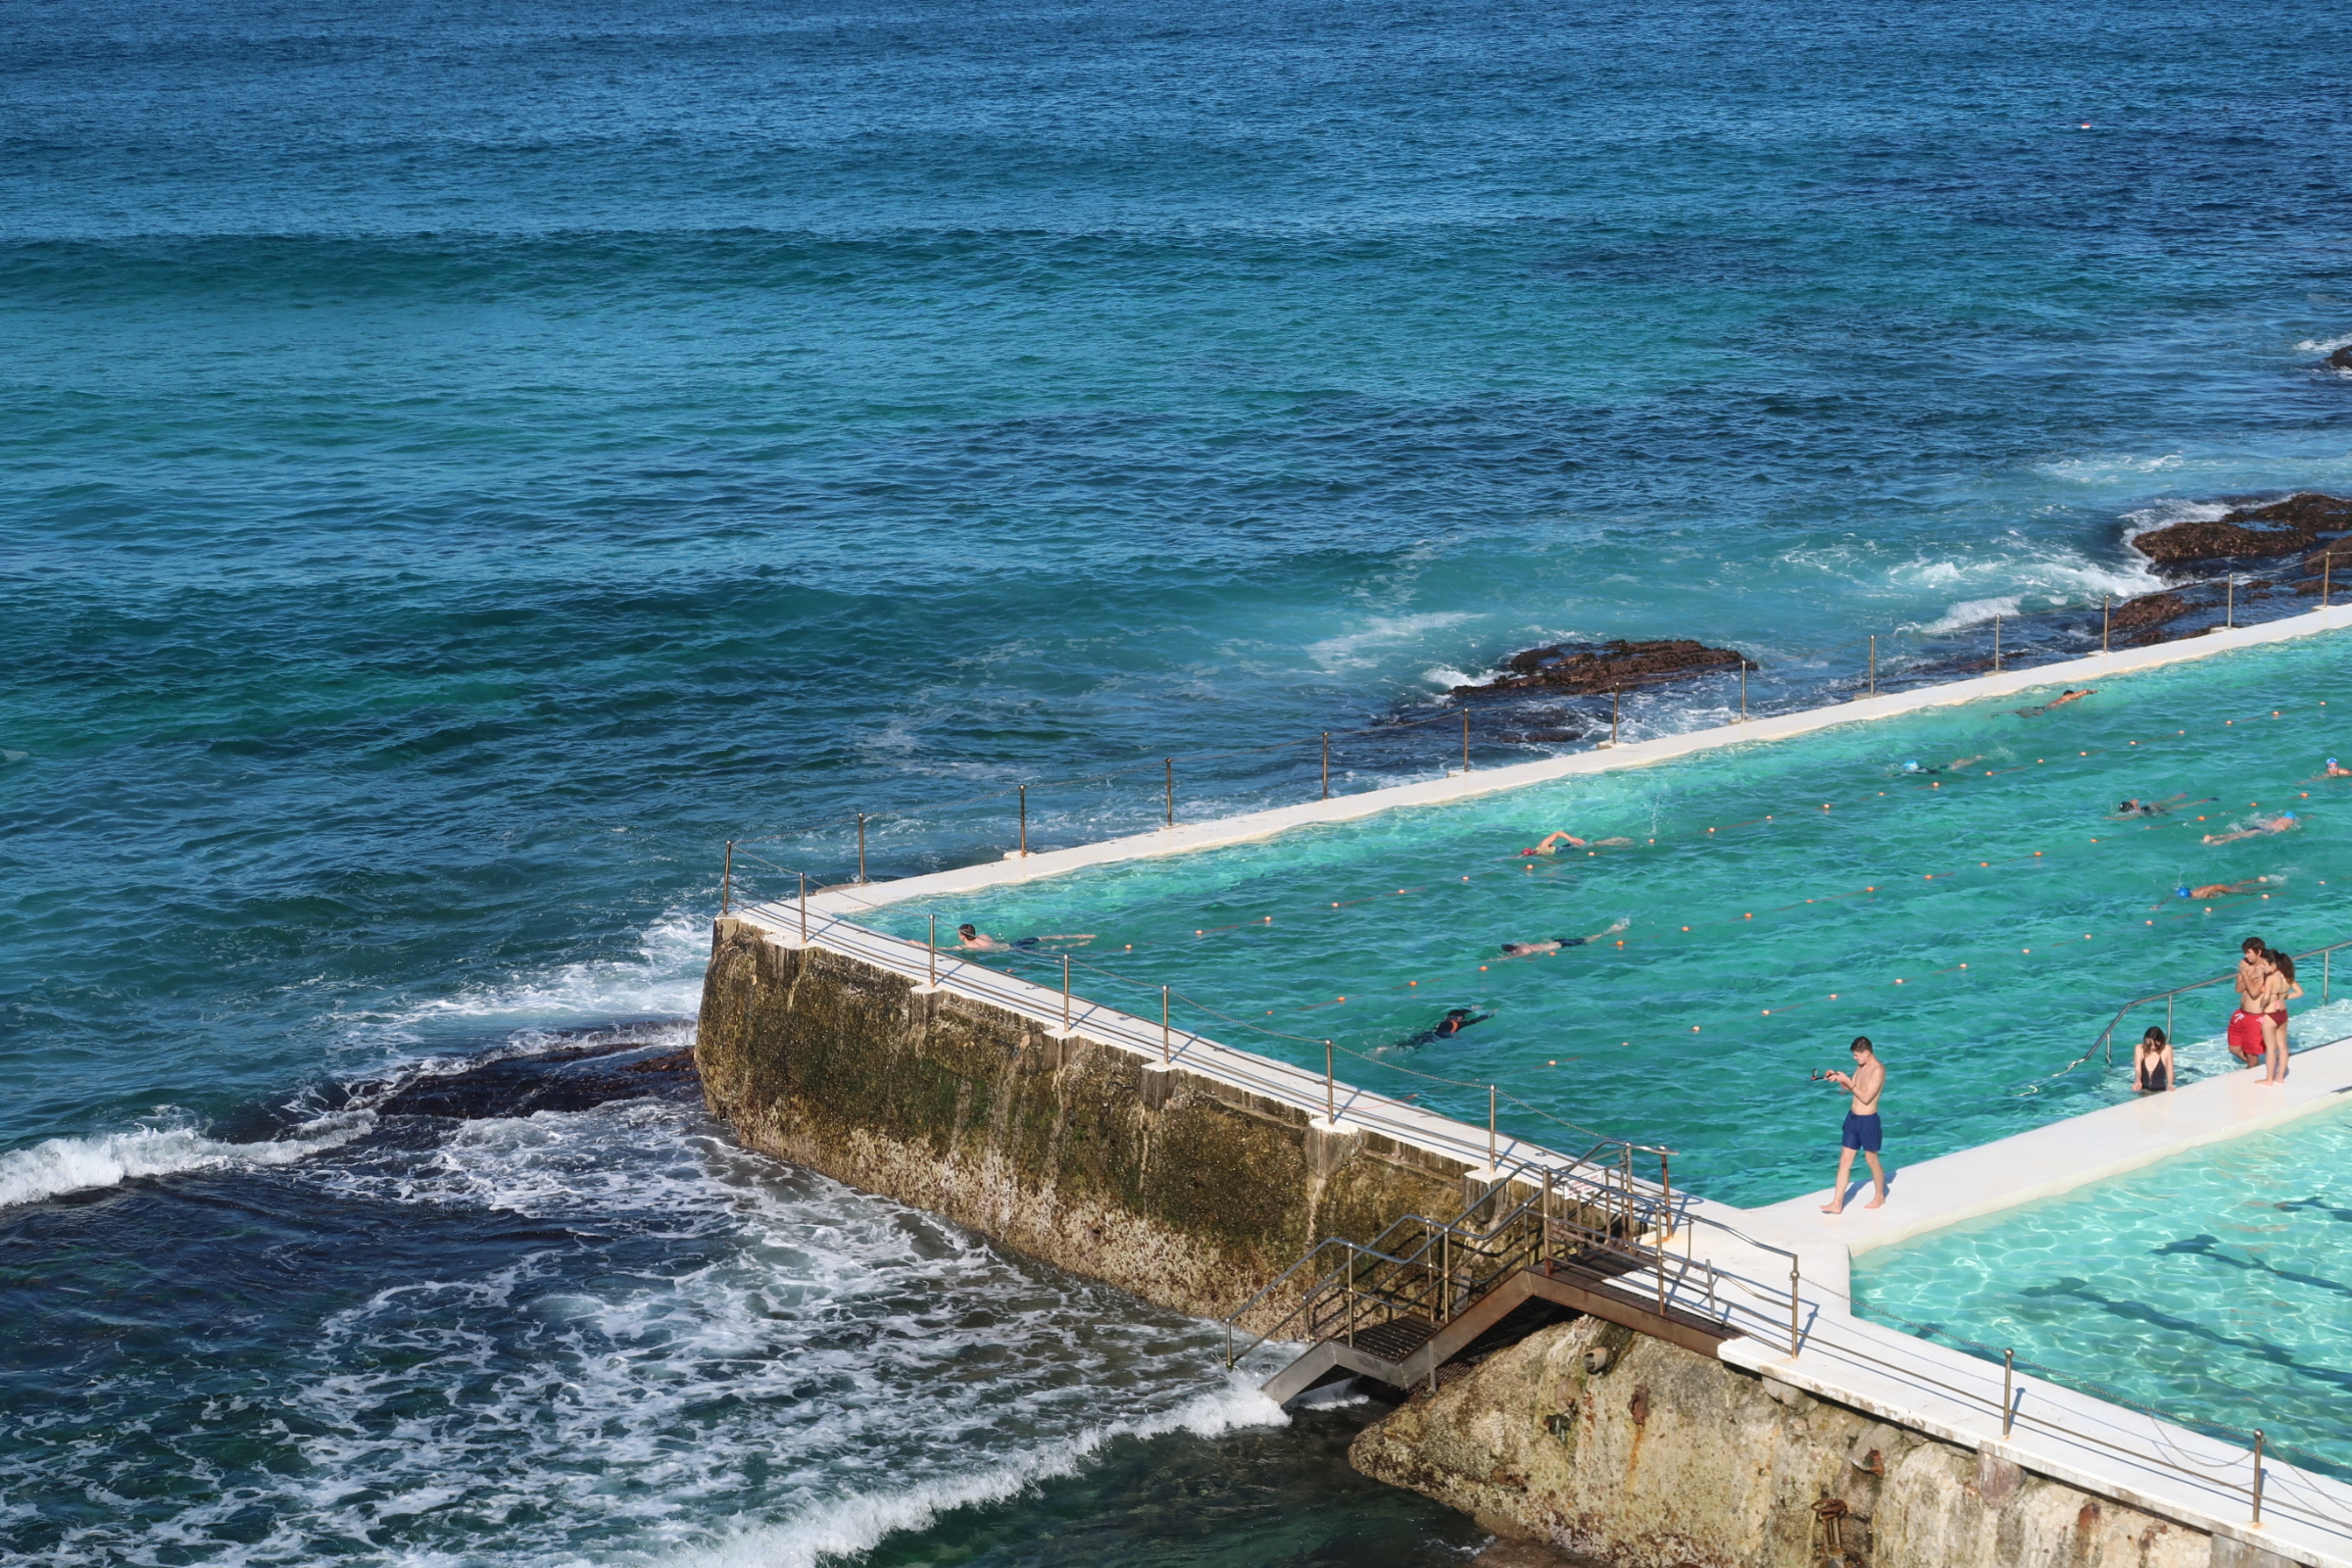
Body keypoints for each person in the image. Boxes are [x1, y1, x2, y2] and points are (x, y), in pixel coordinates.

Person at [1820, 1036, 1887, 1213]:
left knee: (1871, 1160)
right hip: (1853, 1119)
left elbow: (1866, 1097)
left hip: (1868, 1121)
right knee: (1844, 1161)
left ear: (1867, 1053)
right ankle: (1836, 1203)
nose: (1854, 1058)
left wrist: (1848, 1080)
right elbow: (1852, 1089)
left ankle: (1880, 1195)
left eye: (1857, 1055)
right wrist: (1839, 1079)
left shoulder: (1878, 1070)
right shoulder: (1861, 1066)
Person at [2259, 947, 2303, 1085]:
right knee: (2283, 1047)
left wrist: (2261, 1006)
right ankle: (2280, 1077)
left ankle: (2269, 1079)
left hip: (2270, 1015)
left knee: (2271, 1049)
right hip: (2283, 1014)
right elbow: (2299, 992)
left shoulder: (2270, 978)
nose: (2262, 967)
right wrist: (2284, 997)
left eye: (2264, 964)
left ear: (2273, 964)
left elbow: (2266, 997)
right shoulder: (2286, 976)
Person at [2227, 937, 2270, 1066]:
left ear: (2259, 952)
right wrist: (2252, 975)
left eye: (2249, 952)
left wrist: (2247, 974)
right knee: (2234, 1048)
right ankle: (2255, 1065)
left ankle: (2252, 1067)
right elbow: (2238, 989)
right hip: (2241, 1013)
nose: (2246, 956)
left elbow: (2254, 992)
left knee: (2251, 1052)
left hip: (2255, 1016)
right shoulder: (2245, 964)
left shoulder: (2266, 968)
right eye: (2245, 952)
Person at [1500, 917, 1629, 956]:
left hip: (1563, 945)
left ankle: (1612, 931)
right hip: (1557, 942)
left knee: (1588, 940)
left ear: (1512, 951)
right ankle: (1610, 931)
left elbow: (1519, 957)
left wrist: (1496, 960)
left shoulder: (1522, 951)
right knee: (1585, 939)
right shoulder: (1521, 945)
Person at [956, 923, 1095, 952]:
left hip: (1013, 950)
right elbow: (995, 942)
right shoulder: (983, 936)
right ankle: (1079, 936)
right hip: (1013, 944)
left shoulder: (968, 947)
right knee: (1043, 938)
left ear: (962, 936)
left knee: (1048, 949)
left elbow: (950, 949)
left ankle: (1078, 945)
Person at [2201, 812, 2297, 846]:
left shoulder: (2280, 819)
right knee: (2240, 836)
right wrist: (2272, 834)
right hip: (2261, 830)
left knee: (2240, 833)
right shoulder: (2288, 823)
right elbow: (2280, 829)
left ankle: (2213, 837)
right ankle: (2219, 842)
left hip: (2259, 827)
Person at [2132, 1026, 2175, 1094]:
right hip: (2143, 1089)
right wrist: (2138, 1080)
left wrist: (2169, 1084)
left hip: (2160, 1090)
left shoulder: (2167, 1049)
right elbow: (2138, 1069)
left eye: (2156, 1045)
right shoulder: (2139, 1048)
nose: (2153, 1047)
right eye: (2150, 1044)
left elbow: (2169, 1069)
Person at [2177, 875, 2276, 900]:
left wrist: (2215, 897)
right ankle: (2258, 879)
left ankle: (2271, 886)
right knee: (2238, 885)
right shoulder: (2195, 891)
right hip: (2220, 886)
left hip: (2221, 888)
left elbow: (2209, 896)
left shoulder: (2198, 895)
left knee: (2244, 891)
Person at [2014, 689, 2094, 718]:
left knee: (2021, 712)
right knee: (2029, 715)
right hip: (2045, 710)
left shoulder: (2060, 700)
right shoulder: (2067, 697)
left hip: (2043, 708)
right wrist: (2092, 691)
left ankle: (2007, 712)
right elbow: (2084, 692)